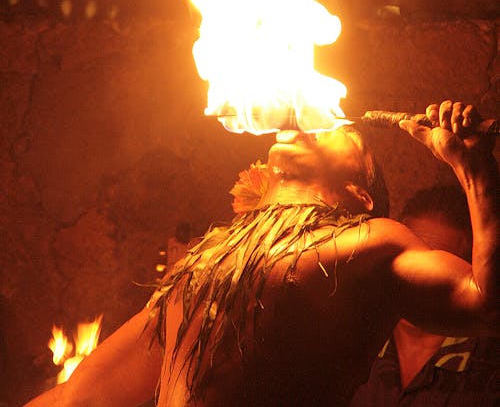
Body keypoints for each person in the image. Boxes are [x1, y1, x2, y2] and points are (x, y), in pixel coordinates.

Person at [23, 100, 499, 407]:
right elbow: (78, 397)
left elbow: (486, 304)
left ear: (359, 192)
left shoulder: (370, 242)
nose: (311, 122)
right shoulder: (205, 270)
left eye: (341, 132)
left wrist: (473, 163)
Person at [350, 184, 500, 405]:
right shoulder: (355, 339)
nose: (418, 276)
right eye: (411, 261)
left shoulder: (488, 366)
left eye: (437, 264)